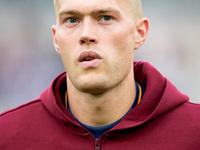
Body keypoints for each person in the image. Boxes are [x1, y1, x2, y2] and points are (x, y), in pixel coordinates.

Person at [0, 0, 200, 149]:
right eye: (72, 20)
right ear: (56, 39)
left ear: (139, 33)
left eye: (105, 18)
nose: (86, 34)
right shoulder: (7, 135)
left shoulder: (194, 132)